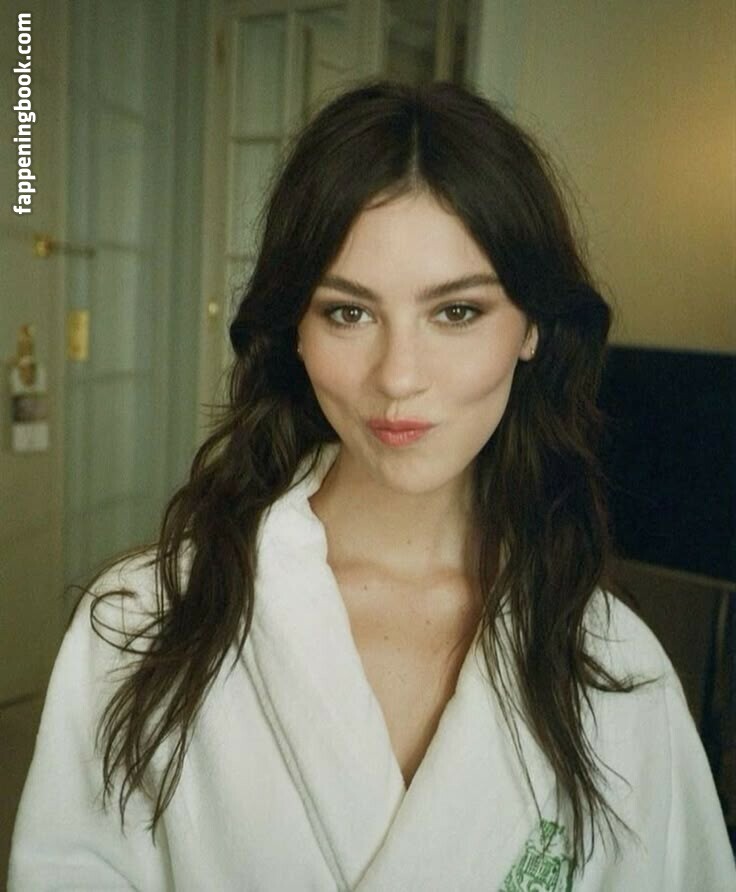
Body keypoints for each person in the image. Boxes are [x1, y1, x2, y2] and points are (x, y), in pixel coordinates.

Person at [9, 81, 735, 891]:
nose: (397, 376)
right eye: (348, 313)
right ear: (294, 329)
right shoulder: (146, 622)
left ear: (532, 327)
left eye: (456, 313)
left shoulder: (612, 668)